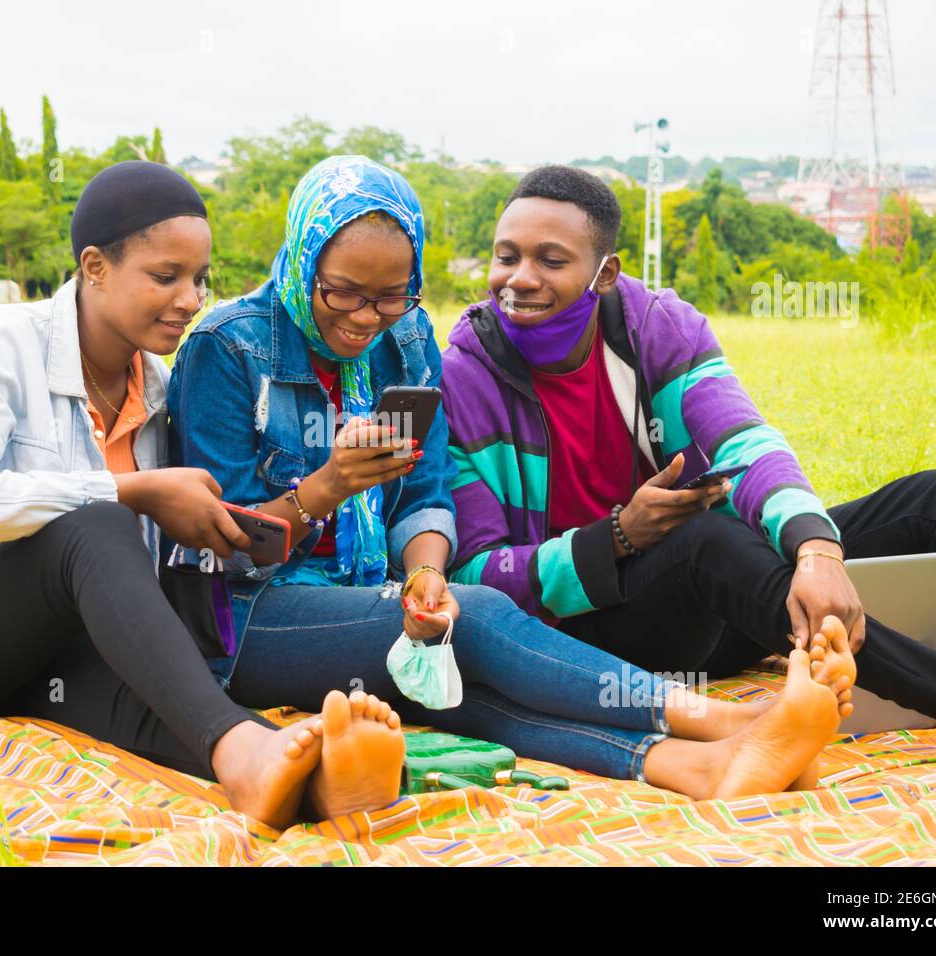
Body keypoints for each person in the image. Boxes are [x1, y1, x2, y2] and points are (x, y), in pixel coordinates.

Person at [169, 154, 858, 802]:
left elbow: (425, 493)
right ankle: (721, 722)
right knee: (482, 616)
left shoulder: (406, 339)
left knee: (458, 678)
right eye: (342, 292)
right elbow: (222, 549)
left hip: (367, 595)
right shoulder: (227, 349)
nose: (364, 318)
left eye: (390, 296)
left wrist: (426, 578)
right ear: (300, 260)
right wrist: (326, 487)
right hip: (248, 621)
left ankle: (692, 766)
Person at [0, 160, 409, 829]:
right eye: (165, 277)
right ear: (94, 267)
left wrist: (221, 522)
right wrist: (130, 491)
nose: (191, 299)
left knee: (166, 691)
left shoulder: (158, 386)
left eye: (199, 278)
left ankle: (288, 772)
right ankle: (255, 751)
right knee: (98, 524)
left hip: (37, 650)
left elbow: (128, 575)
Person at [440, 164, 936, 750]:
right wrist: (615, 538)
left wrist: (816, 550)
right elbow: (471, 577)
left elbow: (743, 440)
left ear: (604, 273)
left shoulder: (658, 328)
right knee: (707, 539)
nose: (520, 279)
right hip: (597, 636)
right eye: (507, 257)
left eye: (551, 261)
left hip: (734, 599)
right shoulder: (461, 378)